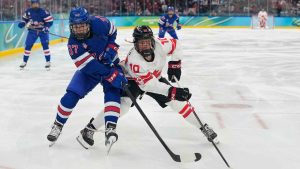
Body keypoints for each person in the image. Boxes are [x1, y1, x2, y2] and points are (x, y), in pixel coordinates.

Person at [77, 25, 218, 150]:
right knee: (123, 106)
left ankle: (203, 126)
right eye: (140, 43)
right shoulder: (135, 61)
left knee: (178, 104)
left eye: (147, 42)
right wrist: (172, 91)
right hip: (133, 79)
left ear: (152, 41)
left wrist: (175, 64)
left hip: (153, 78)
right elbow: (149, 85)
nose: (144, 45)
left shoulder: (162, 45)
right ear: (135, 44)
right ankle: (89, 129)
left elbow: (176, 45)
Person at [46, 7, 127, 149]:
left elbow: (113, 32)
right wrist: (110, 74)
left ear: (88, 23)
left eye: (82, 26)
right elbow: (89, 67)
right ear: (71, 27)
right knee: (71, 95)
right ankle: (58, 124)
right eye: (75, 27)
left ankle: (110, 127)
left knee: (113, 92)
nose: (79, 30)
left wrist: (111, 47)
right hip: (91, 70)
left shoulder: (100, 23)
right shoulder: (73, 45)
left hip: (110, 63)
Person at [17, 0, 53, 70]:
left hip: (43, 31)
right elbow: (24, 19)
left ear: (39, 4)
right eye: (34, 4)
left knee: (45, 45)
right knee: (28, 45)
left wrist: (46, 27)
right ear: (32, 4)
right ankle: (24, 62)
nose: (35, 5)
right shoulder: (28, 11)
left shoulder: (44, 12)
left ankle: (48, 61)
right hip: (32, 31)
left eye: (36, 3)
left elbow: (50, 21)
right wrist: (23, 23)